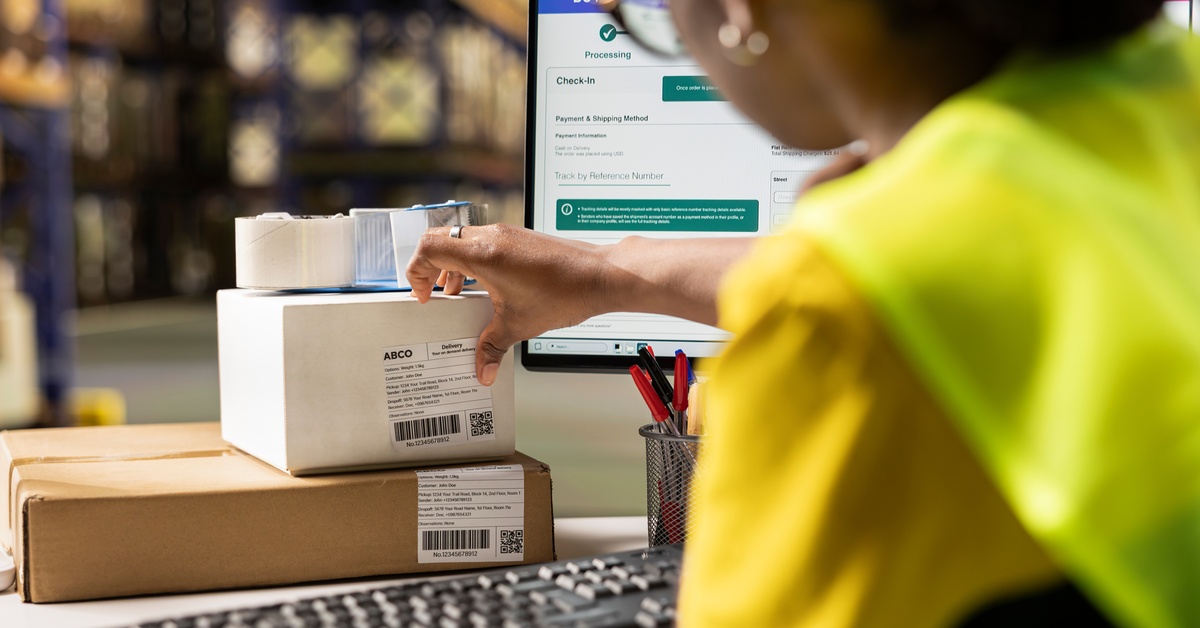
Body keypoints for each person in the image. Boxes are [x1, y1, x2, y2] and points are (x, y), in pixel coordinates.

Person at [407, 0, 1200, 625]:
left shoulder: (836, 306)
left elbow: (884, 288)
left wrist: (832, 260)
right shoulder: (1174, 89)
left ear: (741, 8)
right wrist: (607, 273)